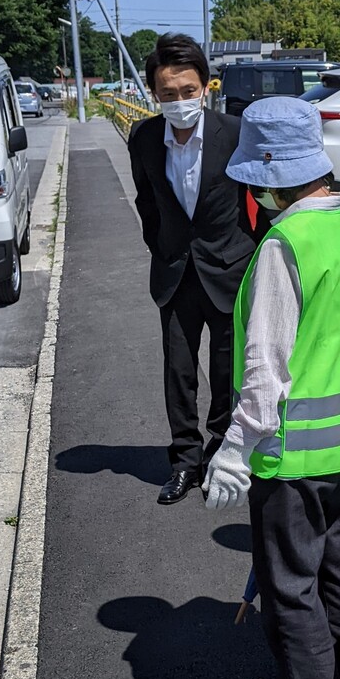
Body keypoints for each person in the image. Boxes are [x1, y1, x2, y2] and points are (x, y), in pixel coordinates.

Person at [203, 97, 340, 679]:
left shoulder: (284, 246)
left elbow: (265, 371)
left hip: (293, 456)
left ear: (272, 171)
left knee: (292, 591)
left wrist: (233, 452)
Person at [128, 34, 268, 505]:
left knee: (230, 371)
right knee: (178, 372)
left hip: (229, 270)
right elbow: (146, 200)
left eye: (189, 91)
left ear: (206, 86)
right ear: (155, 94)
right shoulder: (145, 137)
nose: (180, 101)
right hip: (174, 272)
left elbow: (260, 201)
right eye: (168, 94)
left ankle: (223, 452)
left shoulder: (234, 132)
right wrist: (161, 246)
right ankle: (185, 461)